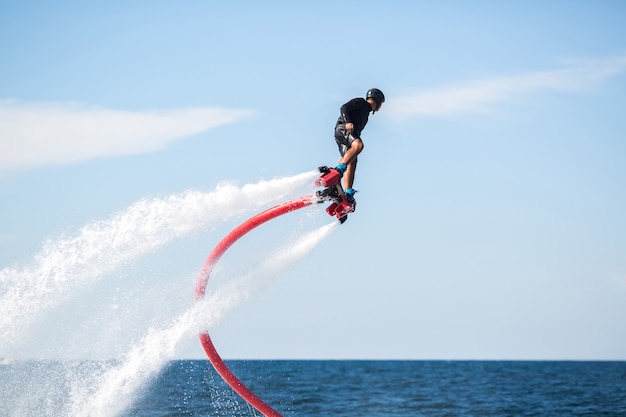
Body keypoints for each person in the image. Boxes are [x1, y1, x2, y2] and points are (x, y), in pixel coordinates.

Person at [333, 88, 385, 205]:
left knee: (353, 160)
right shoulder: (362, 103)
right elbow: (344, 108)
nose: (380, 107)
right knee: (359, 145)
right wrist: (348, 121)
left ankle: (348, 192)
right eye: (381, 103)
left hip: (346, 134)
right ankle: (339, 169)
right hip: (343, 128)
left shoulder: (366, 114)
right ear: (378, 100)